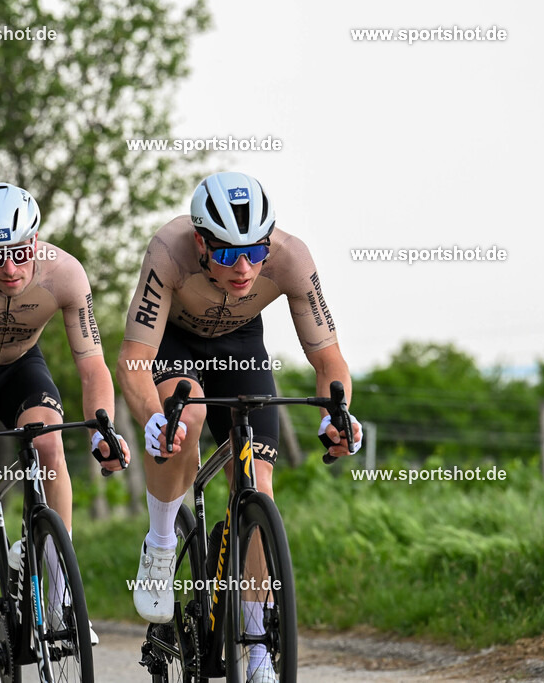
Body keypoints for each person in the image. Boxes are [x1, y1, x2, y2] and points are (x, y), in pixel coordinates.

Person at [117, 171, 362, 683]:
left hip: (240, 346)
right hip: (174, 343)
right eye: (228, 254)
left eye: (256, 251)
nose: (245, 267)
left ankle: (255, 651)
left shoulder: (292, 257)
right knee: (192, 414)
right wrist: (154, 419)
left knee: (258, 487)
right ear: (201, 242)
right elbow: (134, 359)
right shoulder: (169, 250)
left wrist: (335, 416)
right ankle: (161, 543)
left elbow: (328, 359)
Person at [0, 182, 129, 680]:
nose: (9, 268)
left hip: (20, 368)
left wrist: (104, 430)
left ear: (36, 241)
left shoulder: (66, 274)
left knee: (48, 442)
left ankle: (59, 597)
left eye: (18, 253)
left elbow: (93, 367)